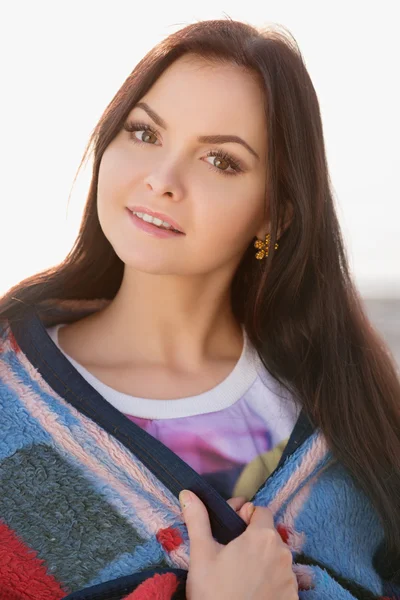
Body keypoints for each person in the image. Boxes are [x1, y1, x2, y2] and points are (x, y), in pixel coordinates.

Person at [0, 17, 399, 600]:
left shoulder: (345, 416)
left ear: (275, 215)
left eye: (221, 161)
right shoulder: (13, 400)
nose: (162, 179)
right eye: (144, 133)